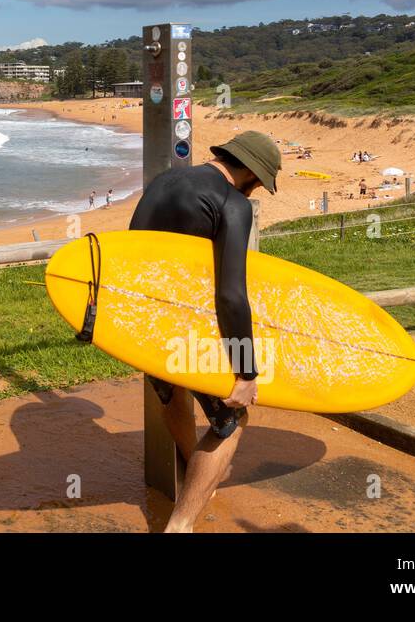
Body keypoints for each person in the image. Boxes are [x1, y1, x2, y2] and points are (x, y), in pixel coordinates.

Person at [127, 130, 280, 533]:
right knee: (232, 418)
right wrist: (246, 372)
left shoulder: (163, 181)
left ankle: (195, 466)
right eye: (261, 179)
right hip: (192, 331)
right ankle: (180, 524)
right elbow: (230, 295)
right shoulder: (232, 203)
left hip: (144, 324)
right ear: (247, 169)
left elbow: (130, 253)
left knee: (172, 393)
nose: (258, 187)